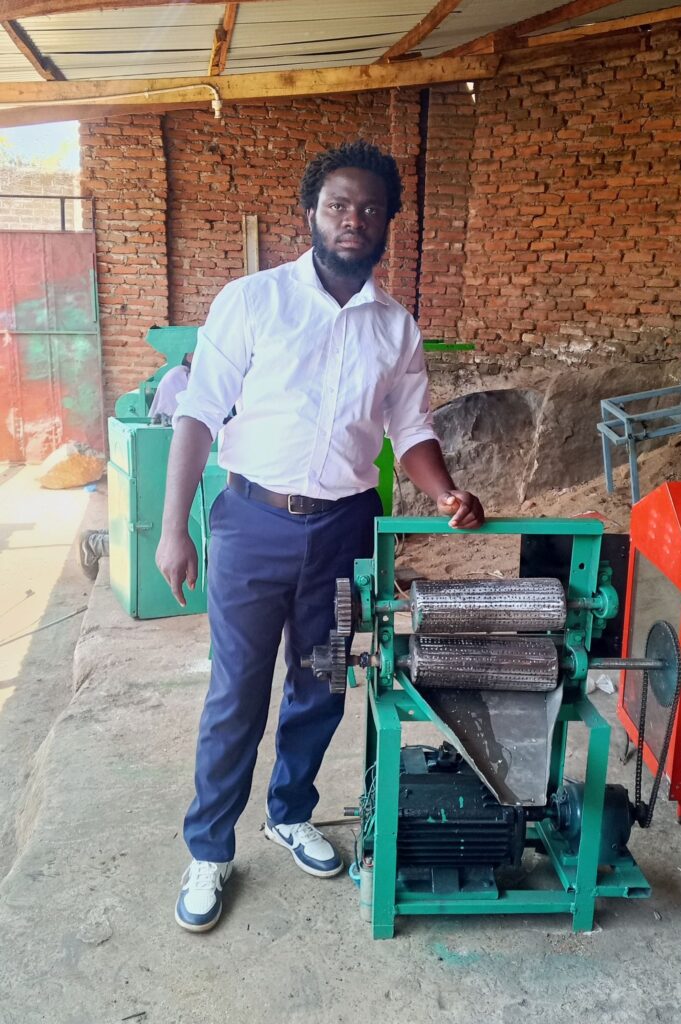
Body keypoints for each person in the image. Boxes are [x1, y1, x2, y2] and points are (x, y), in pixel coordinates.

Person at [155, 139, 484, 934]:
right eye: (338, 204)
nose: (352, 219)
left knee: (322, 681)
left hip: (344, 530)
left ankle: (290, 812)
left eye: (369, 208)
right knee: (237, 690)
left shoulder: (395, 328)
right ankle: (210, 848)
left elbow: (411, 428)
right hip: (252, 523)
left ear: (387, 222)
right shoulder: (254, 301)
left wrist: (445, 491)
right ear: (311, 212)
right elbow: (197, 413)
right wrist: (174, 530)